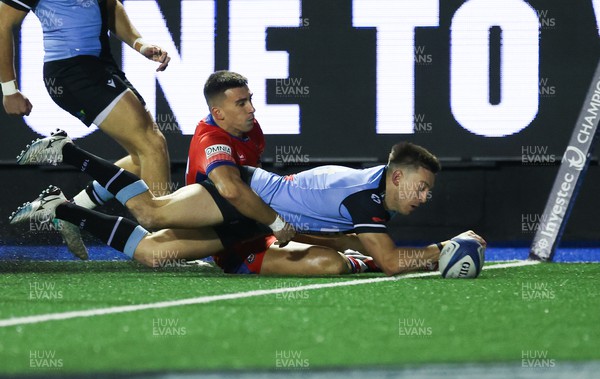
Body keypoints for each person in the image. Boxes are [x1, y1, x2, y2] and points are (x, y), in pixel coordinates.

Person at [10, 133, 486, 276]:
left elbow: (346, 240)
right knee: (151, 211)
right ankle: (66, 150)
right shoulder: (367, 196)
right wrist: (442, 249)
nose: (424, 197)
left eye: (429, 193)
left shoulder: (375, 196)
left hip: (256, 225)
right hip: (244, 196)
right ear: (397, 176)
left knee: (155, 254)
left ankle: (63, 209)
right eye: (421, 187)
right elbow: (387, 261)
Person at [0, 0, 172, 259]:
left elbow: (110, 6)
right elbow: (3, 23)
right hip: (72, 71)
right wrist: (9, 90)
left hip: (100, 65)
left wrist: (140, 44)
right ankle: (168, 243)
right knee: (152, 144)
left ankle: (68, 211)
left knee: (142, 154)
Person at [184, 70, 376, 274]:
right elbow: (232, 191)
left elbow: (257, 185)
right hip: (232, 241)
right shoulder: (211, 140)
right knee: (331, 263)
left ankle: (355, 253)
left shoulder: (250, 129)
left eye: (250, 100)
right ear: (218, 113)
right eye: (241, 104)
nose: (252, 109)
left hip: (256, 225)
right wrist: (276, 222)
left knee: (352, 240)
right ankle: (362, 263)